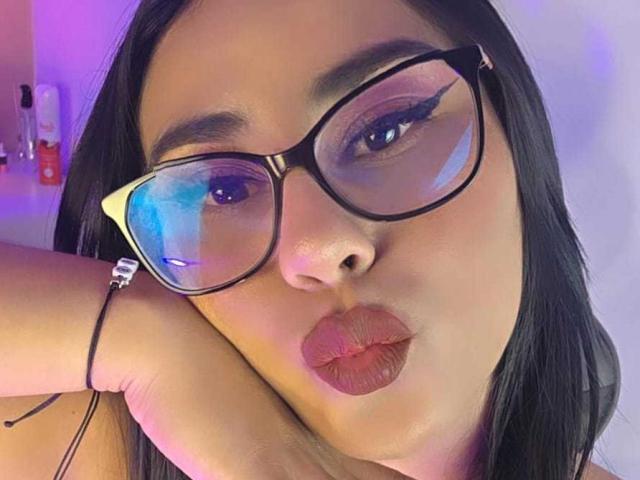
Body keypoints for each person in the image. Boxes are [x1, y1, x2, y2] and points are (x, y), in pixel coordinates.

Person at [0, 0, 622, 479]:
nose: (316, 249)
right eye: (223, 190)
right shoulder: (78, 442)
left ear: (514, 128)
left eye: (385, 131)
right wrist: (145, 339)